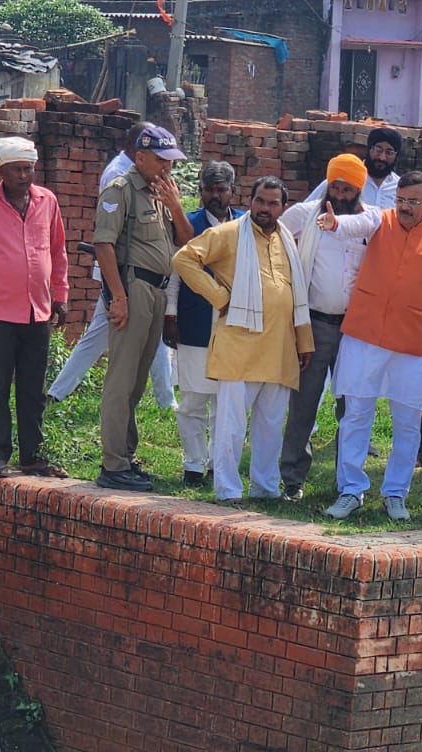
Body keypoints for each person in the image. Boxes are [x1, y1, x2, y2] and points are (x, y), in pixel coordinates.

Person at [318, 171, 422, 522]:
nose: (405, 207)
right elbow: (357, 224)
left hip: (411, 341)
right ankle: (351, 490)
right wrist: (336, 224)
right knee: (356, 414)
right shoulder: (381, 219)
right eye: (401, 200)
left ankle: (396, 493)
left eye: (413, 202)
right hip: (365, 333)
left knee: (408, 421)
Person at [171, 176, 314, 501]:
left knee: (270, 425)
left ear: (283, 207)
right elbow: (184, 259)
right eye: (259, 201)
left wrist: (304, 342)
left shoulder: (287, 241)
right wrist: (219, 296)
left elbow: (295, 294)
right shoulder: (230, 233)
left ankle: (265, 488)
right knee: (231, 425)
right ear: (250, 201)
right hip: (239, 344)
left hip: (280, 348)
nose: (265, 208)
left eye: (273, 203)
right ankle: (228, 489)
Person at [91, 123, 195, 491]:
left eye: (172, 161)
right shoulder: (121, 190)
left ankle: (126, 456)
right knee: (121, 381)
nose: (168, 167)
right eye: (161, 160)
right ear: (140, 157)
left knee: (136, 383)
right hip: (133, 289)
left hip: (157, 292)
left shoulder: (161, 193)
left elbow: (186, 241)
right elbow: (103, 245)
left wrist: (176, 206)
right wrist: (118, 298)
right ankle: (113, 465)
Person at [46, 121, 175, 415]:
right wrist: (118, 291)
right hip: (124, 273)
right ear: (136, 149)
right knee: (106, 335)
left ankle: (58, 392)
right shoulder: (119, 175)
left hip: (140, 274)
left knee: (144, 336)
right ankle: (164, 400)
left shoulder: (144, 175)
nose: (164, 165)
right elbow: (108, 237)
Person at [0, 136, 69, 478]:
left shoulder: (47, 201)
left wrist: (61, 295)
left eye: (29, 169)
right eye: (17, 169)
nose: (24, 176)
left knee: (33, 388)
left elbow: (58, 251)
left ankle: (32, 456)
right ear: (1, 171)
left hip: (38, 311)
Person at [276, 152, 372, 501]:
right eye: (336, 187)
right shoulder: (303, 214)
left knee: (351, 407)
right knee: (304, 404)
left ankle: (347, 482)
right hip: (313, 324)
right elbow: (273, 244)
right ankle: (292, 479)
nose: (341, 195)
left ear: (359, 191)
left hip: (355, 330)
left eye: (348, 190)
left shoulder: (368, 221)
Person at [165, 161, 242, 487]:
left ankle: (217, 463)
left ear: (232, 191)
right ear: (200, 191)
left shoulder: (244, 224)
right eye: (209, 189)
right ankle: (193, 465)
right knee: (194, 400)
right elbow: (175, 273)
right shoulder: (189, 224)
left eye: (221, 189)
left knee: (225, 402)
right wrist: (170, 315)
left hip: (234, 328)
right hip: (194, 321)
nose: (215, 195)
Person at [305, 126, 402, 208]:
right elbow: (305, 212)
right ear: (369, 149)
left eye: (389, 152)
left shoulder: (400, 187)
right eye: (378, 149)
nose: (382, 158)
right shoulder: (344, 177)